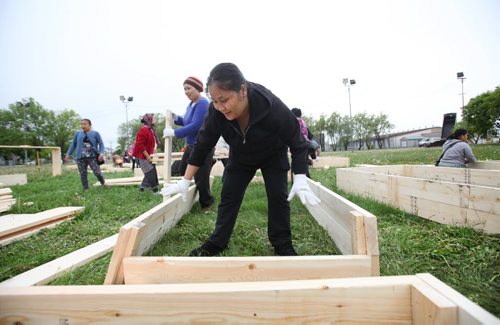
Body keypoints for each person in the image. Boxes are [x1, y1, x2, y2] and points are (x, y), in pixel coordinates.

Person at [162, 63, 320, 257]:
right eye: (215, 101)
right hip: (241, 155)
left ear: (242, 90)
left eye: (224, 100)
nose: (220, 107)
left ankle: (282, 244)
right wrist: (186, 180)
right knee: (229, 196)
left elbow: (297, 138)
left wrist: (301, 176)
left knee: (278, 197)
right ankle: (218, 241)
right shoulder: (216, 111)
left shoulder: (269, 104)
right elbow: (203, 144)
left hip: (273, 153)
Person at [163, 76, 215, 209]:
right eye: (184, 89)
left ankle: (207, 203)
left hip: (202, 146)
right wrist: (176, 118)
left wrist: (175, 133)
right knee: (182, 169)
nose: (186, 91)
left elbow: (196, 125)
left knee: (201, 178)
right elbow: (187, 121)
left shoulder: (202, 103)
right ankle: (188, 191)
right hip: (191, 145)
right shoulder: (191, 104)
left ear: (198, 88)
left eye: (189, 88)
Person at [65, 118, 106, 190]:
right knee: (83, 174)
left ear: (90, 125)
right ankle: (86, 188)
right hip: (80, 157)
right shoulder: (78, 133)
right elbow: (73, 144)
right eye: (81, 124)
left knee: (97, 172)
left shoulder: (95, 133)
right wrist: (68, 154)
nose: (83, 125)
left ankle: (103, 183)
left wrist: (101, 153)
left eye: (85, 124)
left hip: (92, 156)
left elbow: (101, 144)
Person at [133, 113, 161, 192]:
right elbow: (139, 144)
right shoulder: (144, 129)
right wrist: (147, 156)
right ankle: (155, 191)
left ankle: (142, 188)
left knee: (151, 171)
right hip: (142, 156)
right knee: (150, 172)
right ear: (149, 120)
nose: (155, 120)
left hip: (149, 155)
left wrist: (154, 154)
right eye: (153, 118)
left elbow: (151, 144)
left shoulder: (150, 130)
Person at [291, 107, 318, 178]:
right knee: (304, 163)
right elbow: (310, 137)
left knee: (297, 166)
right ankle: (307, 179)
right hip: (305, 145)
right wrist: (314, 156)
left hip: (298, 146)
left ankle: (300, 181)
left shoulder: (293, 123)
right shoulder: (303, 123)